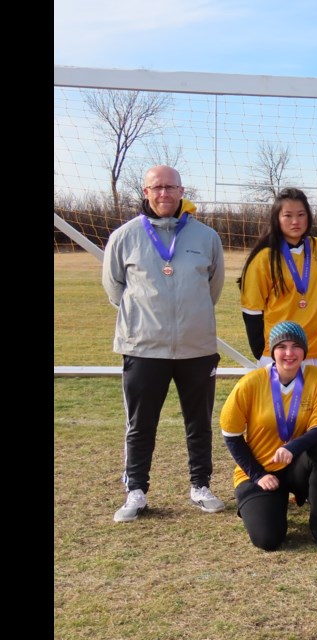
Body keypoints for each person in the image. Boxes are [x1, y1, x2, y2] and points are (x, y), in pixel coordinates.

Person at [102, 165, 226, 523]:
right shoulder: (125, 236)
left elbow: (212, 289)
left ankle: (200, 486)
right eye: (157, 187)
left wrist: (189, 317)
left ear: (182, 190)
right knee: (140, 424)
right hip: (144, 348)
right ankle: (136, 490)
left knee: (198, 421)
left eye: (171, 187)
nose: (164, 194)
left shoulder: (207, 237)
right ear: (145, 191)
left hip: (196, 348)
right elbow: (115, 289)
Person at [220, 322, 317, 551]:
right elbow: (231, 434)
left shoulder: (316, 377)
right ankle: (255, 504)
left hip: (296, 466)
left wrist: (293, 447)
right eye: (282, 346)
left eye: (296, 346)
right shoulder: (251, 383)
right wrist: (257, 474)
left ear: (304, 350)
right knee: (268, 539)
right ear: (272, 351)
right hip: (261, 469)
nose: (289, 353)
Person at [239, 188, 317, 371]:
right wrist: (262, 351)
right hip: (279, 352)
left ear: (309, 216)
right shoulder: (264, 258)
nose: (295, 221)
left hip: (316, 352)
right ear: (276, 218)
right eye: (287, 215)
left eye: (301, 214)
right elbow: (251, 311)